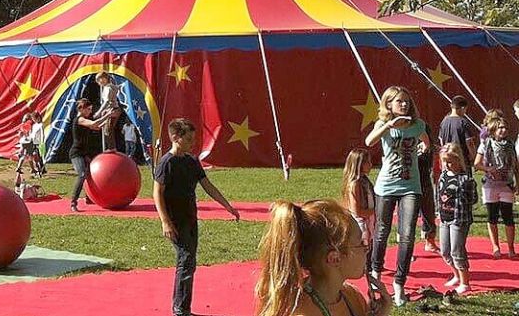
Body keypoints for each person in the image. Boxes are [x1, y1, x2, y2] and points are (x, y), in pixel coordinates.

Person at [154, 118, 239, 316]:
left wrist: (227, 206)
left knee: (189, 261)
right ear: (176, 138)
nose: (193, 142)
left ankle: (183, 307)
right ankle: (180, 309)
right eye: (189, 138)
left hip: (190, 218)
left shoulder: (191, 161)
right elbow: (157, 192)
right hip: (175, 220)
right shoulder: (166, 163)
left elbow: (207, 186)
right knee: (186, 260)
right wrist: (165, 221)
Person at [255, 199, 393, 316]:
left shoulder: (351, 296)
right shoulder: (300, 311)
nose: (366, 249)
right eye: (361, 243)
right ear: (334, 258)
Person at [364, 85, 429, 306]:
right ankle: (376, 276)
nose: (404, 104)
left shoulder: (418, 125)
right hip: (387, 186)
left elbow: (426, 141)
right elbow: (369, 142)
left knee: (407, 234)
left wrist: (423, 147)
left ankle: (399, 284)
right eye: (399, 101)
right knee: (382, 231)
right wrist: (389, 126)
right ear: (389, 104)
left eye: (406, 101)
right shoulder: (383, 124)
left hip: (411, 186)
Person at [474, 116, 518, 259]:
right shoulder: (485, 144)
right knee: (492, 216)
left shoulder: (510, 145)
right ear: (493, 130)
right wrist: (489, 169)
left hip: (506, 184)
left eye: (505, 127)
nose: (504, 130)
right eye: (500, 128)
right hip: (490, 185)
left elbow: (516, 166)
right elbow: (476, 164)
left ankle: (511, 248)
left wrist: (518, 182)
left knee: (508, 216)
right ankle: (495, 246)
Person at [436, 143, 478, 294]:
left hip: (458, 220)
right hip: (444, 218)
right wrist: (439, 212)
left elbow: (473, 199)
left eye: (450, 161)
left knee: (457, 250)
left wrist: (462, 199)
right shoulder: (443, 176)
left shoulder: (466, 179)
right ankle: (456, 275)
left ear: (458, 160)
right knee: (445, 250)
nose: (447, 165)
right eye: (444, 161)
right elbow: (439, 195)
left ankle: (465, 282)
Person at [69, 99, 109, 212]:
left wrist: (107, 118)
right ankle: (73, 202)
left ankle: (89, 198)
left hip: (84, 152)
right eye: (88, 109)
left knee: (91, 175)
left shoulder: (85, 120)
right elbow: (94, 124)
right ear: (81, 109)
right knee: (82, 174)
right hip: (76, 153)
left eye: (91, 109)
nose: (90, 111)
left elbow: (97, 127)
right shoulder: (79, 120)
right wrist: (108, 115)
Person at [341, 148, 375, 254]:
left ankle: (369, 265)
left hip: (368, 220)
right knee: (363, 248)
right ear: (359, 164)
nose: (371, 165)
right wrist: (375, 211)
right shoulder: (355, 184)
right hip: (360, 223)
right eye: (367, 162)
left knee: (370, 245)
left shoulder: (365, 181)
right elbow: (357, 211)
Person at [417, 121, 440, 252]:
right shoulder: (409, 146)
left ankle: (429, 240)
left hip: (425, 181)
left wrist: (436, 178)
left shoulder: (431, 147)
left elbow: (435, 164)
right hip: (411, 182)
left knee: (429, 212)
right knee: (410, 215)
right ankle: (406, 246)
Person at [438, 95, 477, 168]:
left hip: (448, 159)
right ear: (463, 108)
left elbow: (441, 141)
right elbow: (469, 143)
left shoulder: (444, 122)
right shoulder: (463, 122)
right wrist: (474, 158)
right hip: (461, 160)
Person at [94, 71, 122, 151]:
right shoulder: (111, 87)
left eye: (99, 80)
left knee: (108, 130)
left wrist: (98, 112)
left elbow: (106, 102)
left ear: (104, 79)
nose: (99, 83)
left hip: (112, 109)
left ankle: (112, 148)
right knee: (108, 129)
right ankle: (111, 147)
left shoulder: (107, 88)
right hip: (112, 109)